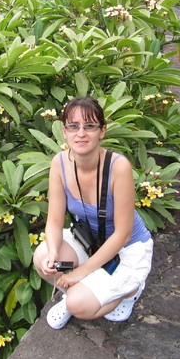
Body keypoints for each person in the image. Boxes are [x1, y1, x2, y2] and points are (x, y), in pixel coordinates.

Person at [33, 96, 154, 329]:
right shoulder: (59, 163)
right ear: (64, 131)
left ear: (102, 131)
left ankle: (130, 291)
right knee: (42, 257)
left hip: (126, 250)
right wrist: (53, 254)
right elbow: (54, 221)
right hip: (89, 242)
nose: (81, 133)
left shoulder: (118, 166)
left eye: (89, 126)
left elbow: (123, 235)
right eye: (73, 126)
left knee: (79, 306)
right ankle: (83, 290)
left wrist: (79, 273)